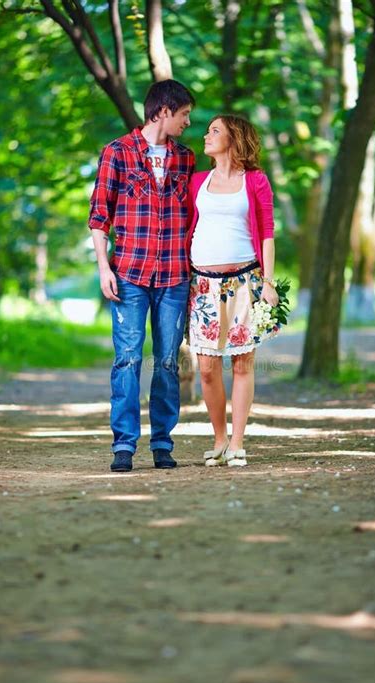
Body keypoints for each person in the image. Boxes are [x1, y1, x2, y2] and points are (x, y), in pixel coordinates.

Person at [89, 80, 195, 472]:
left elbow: (192, 220)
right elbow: (99, 218)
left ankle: (162, 443)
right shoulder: (116, 153)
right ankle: (124, 445)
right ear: (163, 111)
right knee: (128, 359)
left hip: (174, 277)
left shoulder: (186, 159)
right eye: (184, 114)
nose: (188, 122)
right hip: (129, 275)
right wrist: (104, 268)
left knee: (167, 362)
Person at [186, 114, 280, 467]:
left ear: (234, 138)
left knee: (243, 363)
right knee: (207, 368)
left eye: (214, 131)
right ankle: (220, 438)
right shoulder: (197, 181)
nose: (206, 136)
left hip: (244, 282)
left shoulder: (254, 180)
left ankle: (238, 442)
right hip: (203, 285)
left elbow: (267, 233)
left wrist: (267, 282)